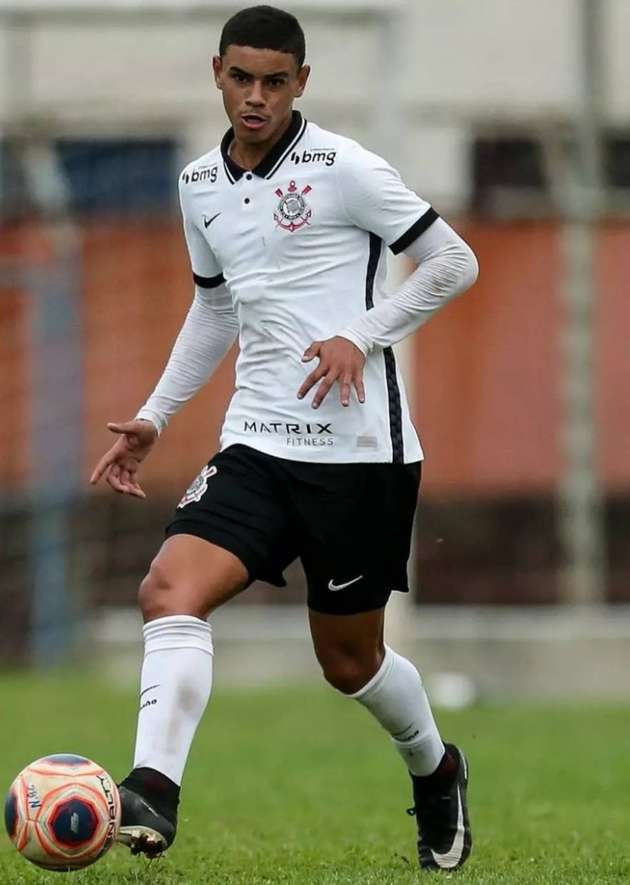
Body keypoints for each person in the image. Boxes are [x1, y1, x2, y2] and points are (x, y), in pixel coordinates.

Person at [90, 5, 478, 872]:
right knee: (167, 589)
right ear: (216, 73)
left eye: (274, 81)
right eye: (240, 78)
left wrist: (363, 335)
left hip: (359, 458)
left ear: (301, 82)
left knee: (350, 663)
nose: (255, 97)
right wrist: (154, 415)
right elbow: (215, 305)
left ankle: (436, 766)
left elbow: (454, 260)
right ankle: (154, 784)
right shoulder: (197, 184)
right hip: (257, 444)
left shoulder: (346, 168)